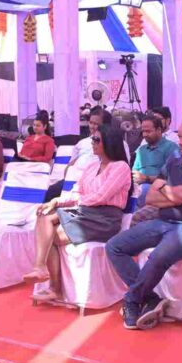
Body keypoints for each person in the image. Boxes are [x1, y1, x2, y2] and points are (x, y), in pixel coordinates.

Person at [107, 116, 182, 329]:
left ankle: (132, 300)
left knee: (159, 255)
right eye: (180, 136)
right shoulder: (174, 156)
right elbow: (151, 198)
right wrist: (175, 193)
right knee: (115, 246)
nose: (181, 142)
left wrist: (169, 191)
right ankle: (150, 297)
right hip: (165, 221)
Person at [24, 125, 132, 301]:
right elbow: (77, 191)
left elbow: (101, 196)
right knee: (44, 219)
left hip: (105, 219)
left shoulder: (120, 167)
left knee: (47, 232)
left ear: (109, 142)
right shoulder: (91, 167)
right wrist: (56, 201)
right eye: (92, 139)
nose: (92, 143)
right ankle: (42, 271)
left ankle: (50, 281)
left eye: (97, 140)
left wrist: (69, 207)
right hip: (85, 213)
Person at [131, 114, 178, 198]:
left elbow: (172, 176)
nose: (144, 135)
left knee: (144, 189)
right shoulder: (141, 150)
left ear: (159, 130)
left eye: (148, 131)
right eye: (143, 131)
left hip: (160, 189)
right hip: (138, 188)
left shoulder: (171, 147)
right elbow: (134, 172)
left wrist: (146, 178)